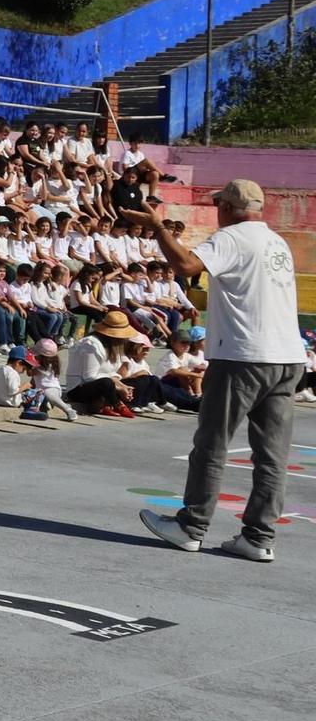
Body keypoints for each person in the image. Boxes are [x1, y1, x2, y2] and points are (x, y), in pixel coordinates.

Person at [136, 180, 304, 562]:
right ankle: (258, 537)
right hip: (287, 356)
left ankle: (190, 527)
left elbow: (186, 265)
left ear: (226, 207)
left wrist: (158, 227)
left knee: (212, 444)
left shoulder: (232, 238)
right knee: (272, 456)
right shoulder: (276, 242)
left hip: (244, 355)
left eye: (217, 205)